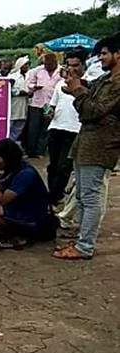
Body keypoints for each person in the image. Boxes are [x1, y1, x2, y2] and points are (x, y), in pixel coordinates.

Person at [54, 33, 120, 260]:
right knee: (82, 196)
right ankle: (82, 239)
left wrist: (77, 90)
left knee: (91, 197)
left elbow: (92, 110)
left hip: (101, 146)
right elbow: (90, 91)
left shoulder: (118, 84)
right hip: (87, 142)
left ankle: (85, 246)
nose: (100, 58)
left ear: (118, 54)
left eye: (104, 53)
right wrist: (76, 82)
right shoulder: (107, 79)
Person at [0, 140, 54, 248]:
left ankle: (20, 236)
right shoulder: (13, 168)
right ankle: (7, 231)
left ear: (8, 158)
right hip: (18, 207)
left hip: (33, 218)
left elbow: (3, 200)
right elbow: (0, 186)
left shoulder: (25, 174)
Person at [45, 52, 84, 205]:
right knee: (53, 166)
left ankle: (53, 197)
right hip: (56, 127)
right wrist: (48, 113)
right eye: (69, 65)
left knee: (64, 167)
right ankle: (54, 195)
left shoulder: (88, 84)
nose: (72, 69)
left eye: (76, 65)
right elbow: (52, 106)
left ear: (82, 66)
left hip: (75, 130)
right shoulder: (60, 85)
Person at [25, 53, 62, 158]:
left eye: (49, 64)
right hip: (37, 103)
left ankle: (40, 151)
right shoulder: (37, 70)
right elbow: (30, 83)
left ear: (55, 63)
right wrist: (34, 87)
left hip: (51, 103)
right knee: (33, 128)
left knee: (46, 129)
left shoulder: (61, 71)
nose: (47, 66)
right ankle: (30, 151)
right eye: (45, 64)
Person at [9, 56, 31, 142]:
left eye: (28, 65)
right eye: (25, 65)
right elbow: (9, 90)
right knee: (10, 127)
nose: (27, 67)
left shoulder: (28, 76)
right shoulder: (13, 76)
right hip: (14, 106)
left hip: (24, 106)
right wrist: (20, 92)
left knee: (18, 129)